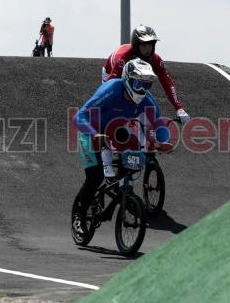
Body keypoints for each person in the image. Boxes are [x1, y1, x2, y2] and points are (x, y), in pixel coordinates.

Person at [72, 59, 170, 235]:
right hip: (91, 131)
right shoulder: (112, 89)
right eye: (139, 84)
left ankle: (123, 190)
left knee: (132, 159)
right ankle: (80, 215)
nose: (143, 90)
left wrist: (163, 142)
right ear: (128, 80)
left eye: (148, 85)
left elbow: (158, 123)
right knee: (95, 177)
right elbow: (79, 117)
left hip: (115, 130)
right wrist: (95, 134)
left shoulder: (146, 99)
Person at [102, 25, 191, 125]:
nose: (148, 50)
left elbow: (167, 82)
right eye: (144, 46)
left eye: (150, 45)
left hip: (137, 77)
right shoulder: (123, 57)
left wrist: (179, 108)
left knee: (151, 108)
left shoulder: (155, 59)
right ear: (136, 45)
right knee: (114, 102)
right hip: (112, 73)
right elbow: (110, 85)